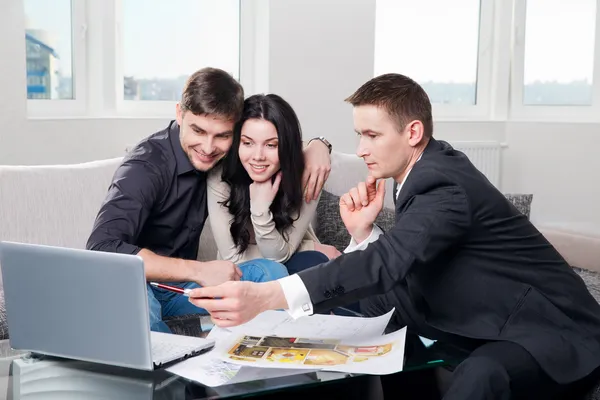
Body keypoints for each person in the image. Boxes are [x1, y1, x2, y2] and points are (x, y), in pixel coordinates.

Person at [188, 73, 600, 399]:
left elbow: (387, 264)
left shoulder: (443, 184)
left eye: (371, 135)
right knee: (372, 323)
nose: (362, 149)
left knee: (482, 372)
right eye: (358, 135)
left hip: (551, 331)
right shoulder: (417, 176)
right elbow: (398, 264)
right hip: (477, 314)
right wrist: (363, 233)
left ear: (413, 132)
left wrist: (268, 296)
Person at [86, 67, 333, 334]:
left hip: (181, 291)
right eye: (198, 131)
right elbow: (101, 247)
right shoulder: (146, 166)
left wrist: (319, 146)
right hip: (139, 284)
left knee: (270, 273)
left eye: (222, 136)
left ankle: (259, 360)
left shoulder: (228, 154)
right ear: (179, 113)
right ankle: (171, 365)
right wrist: (198, 270)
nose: (207, 147)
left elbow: (273, 141)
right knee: (143, 308)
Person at [207, 93, 341, 274]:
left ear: (286, 146)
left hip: (297, 267)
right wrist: (309, 246)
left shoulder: (308, 173)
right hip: (243, 277)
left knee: (315, 263)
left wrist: (320, 144)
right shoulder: (221, 177)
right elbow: (234, 258)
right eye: (247, 143)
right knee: (313, 257)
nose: (258, 156)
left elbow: (280, 256)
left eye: (271, 145)